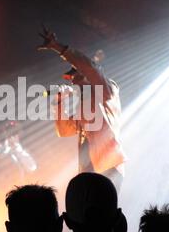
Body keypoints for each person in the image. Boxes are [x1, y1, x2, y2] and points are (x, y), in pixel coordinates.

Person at [37, 26, 126, 191]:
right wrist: (59, 102)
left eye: (75, 74)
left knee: (100, 214)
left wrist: (58, 47)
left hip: (108, 168)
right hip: (88, 172)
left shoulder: (108, 90)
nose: (72, 80)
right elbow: (64, 131)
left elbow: (90, 67)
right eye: (70, 77)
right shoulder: (85, 105)